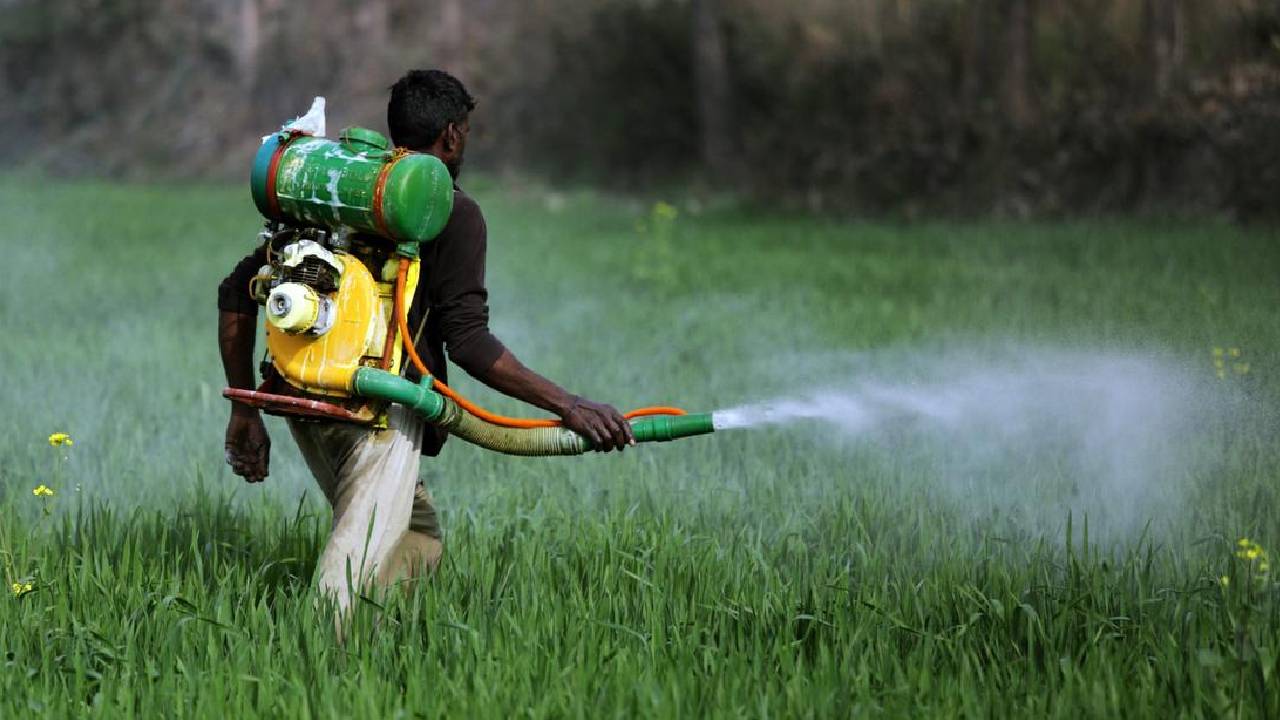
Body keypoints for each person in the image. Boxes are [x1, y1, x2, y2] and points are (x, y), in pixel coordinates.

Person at [217, 69, 634, 616]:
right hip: (381, 411)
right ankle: (308, 663)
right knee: (349, 575)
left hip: (305, 394)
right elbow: (469, 343)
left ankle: (377, 656)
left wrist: (245, 407)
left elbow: (236, 293)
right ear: (453, 136)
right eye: (466, 131)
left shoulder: (335, 192)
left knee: (418, 538)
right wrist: (568, 404)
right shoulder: (451, 213)